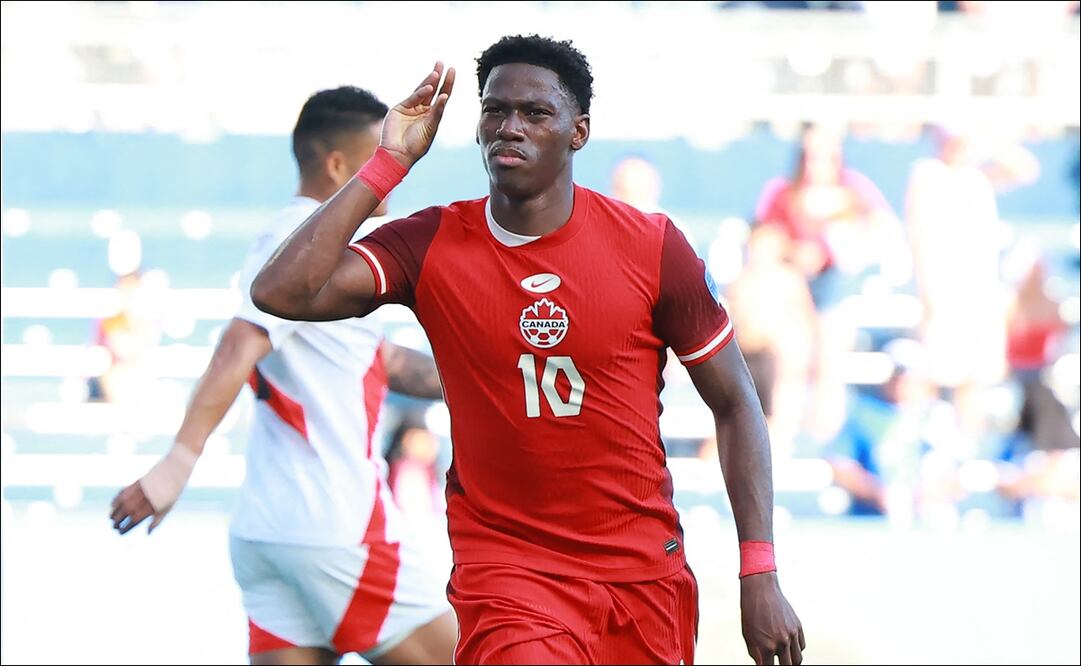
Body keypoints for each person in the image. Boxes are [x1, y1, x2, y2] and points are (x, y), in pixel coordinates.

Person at [252, 36, 804, 665]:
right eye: (494, 110)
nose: (509, 126)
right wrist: (386, 164)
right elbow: (280, 292)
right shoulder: (430, 242)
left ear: (579, 132)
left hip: (642, 577)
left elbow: (735, 403)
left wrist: (758, 568)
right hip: (509, 576)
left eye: (536, 113)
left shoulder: (652, 248)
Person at [109, 86, 456, 666]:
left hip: (269, 534)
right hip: (337, 527)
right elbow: (239, 343)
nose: (396, 170)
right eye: (382, 152)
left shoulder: (313, 251)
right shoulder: (296, 241)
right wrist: (177, 464)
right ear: (340, 165)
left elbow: (387, 364)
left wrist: (493, 372)